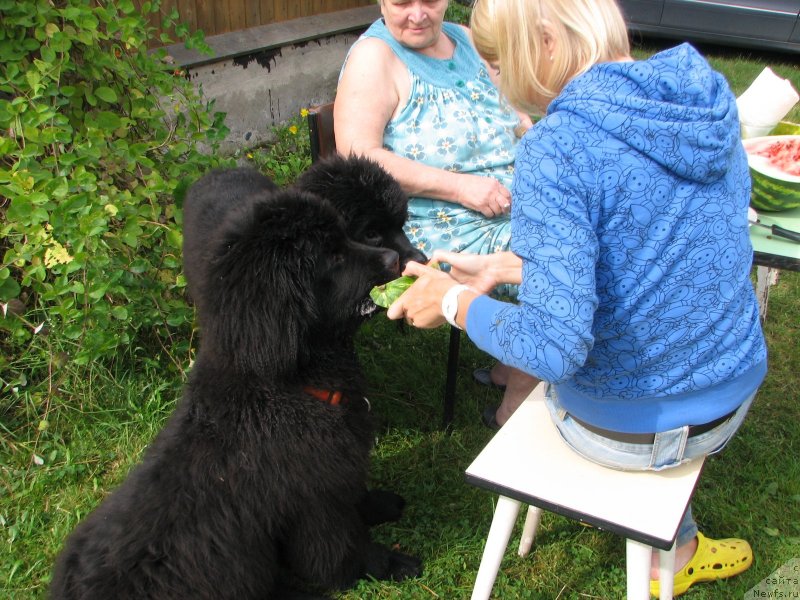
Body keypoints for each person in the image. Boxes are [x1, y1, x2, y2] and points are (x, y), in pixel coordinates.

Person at [385, 0, 767, 595]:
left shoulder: (557, 149)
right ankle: (681, 544)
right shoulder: (700, 98)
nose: (496, 79)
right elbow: (643, 261)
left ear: (545, 42)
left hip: (635, 428)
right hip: (734, 386)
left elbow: (553, 347)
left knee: (563, 385)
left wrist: (456, 304)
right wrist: (505, 266)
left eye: (494, 60)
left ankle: (674, 551)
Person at [334, 0, 537, 427]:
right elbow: (358, 154)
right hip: (438, 223)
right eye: (401, 2)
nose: (418, 14)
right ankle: (517, 406)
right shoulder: (376, 58)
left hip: (515, 203)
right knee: (546, 262)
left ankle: (515, 363)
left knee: (583, 235)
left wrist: (537, 142)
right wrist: (462, 187)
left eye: (430, 0)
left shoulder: (465, 39)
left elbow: (514, 112)